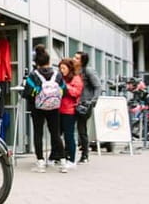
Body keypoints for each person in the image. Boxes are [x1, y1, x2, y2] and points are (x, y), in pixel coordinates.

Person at [23, 44, 68, 173]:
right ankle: (63, 162)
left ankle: (41, 163)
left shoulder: (33, 75)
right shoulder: (57, 74)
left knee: (38, 133)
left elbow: (27, 93)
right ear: (49, 61)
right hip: (54, 108)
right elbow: (64, 90)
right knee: (55, 134)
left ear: (36, 62)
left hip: (37, 108)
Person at [74, 51, 101, 163]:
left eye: (77, 58)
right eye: (74, 57)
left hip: (84, 104)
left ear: (82, 61)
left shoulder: (87, 71)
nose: (74, 59)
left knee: (82, 129)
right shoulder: (73, 70)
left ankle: (85, 154)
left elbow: (98, 86)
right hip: (73, 103)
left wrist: (92, 101)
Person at [58, 57, 83, 169]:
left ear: (69, 68)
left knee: (69, 136)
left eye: (63, 68)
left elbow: (76, 92)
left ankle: (71, 159)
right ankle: (58, 156)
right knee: (57, 135)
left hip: (69, 110)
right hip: (58, 109)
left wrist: (65, 87)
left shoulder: (76, 79)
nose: (62, 70)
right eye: (60, 68)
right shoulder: (60, 78)